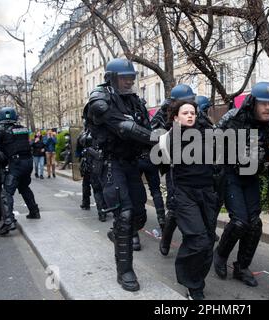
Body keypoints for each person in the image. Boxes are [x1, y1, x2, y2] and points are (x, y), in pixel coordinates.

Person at [85, 58, 155, 291]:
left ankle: (118, 233)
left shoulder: (135, 101)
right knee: (124, 216)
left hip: (131, 163)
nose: (129, 82)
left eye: (131, 78)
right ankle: (125, 271)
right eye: (124, 78)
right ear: (111, 78)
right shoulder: (99, 98)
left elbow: (147, 126)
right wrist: (156, 139)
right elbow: (123, 128)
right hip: (110, 163)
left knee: (139, 216)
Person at [213, 82, 269, 287]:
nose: (268, 108)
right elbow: (212, 142)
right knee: (239, 222)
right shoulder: (233, 118)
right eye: (263, 103)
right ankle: (220, 255)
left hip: (252, 176)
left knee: (255, 224)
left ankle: (242, 267)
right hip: (230, 174)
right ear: (253, 103)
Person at [158, 100, 219, 300]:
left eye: (193, 112)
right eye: (185, 113)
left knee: (207, 241)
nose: (190, 116)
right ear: (176, 117)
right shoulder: (169, 138)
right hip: (185, 194)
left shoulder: (207, 134)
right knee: (198, 240)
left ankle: (197, 281)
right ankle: (191, 284)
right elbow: (164, 164)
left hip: (207, 193)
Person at [0, 107, 40, 236]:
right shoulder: (22, 128)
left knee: (6, 193)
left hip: (16, 164)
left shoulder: (0, 128)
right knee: (24, 187)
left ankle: (8, 222)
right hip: (28, 163)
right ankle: (34, 211)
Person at [154, 84, 197, 256]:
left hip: (194, 164)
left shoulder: (194, 112)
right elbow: (155, 136)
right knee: (174, 205)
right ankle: (166, 239)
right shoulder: (162, 114)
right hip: (173, 163)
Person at [76, 125, 107, 222]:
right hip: (97, 164)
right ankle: (102, 209)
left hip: (90, 163)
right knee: (99, 187)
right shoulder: (101, 133)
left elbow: (78, 151)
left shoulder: (83, 135)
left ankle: (92, 206)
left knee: (91, 186)